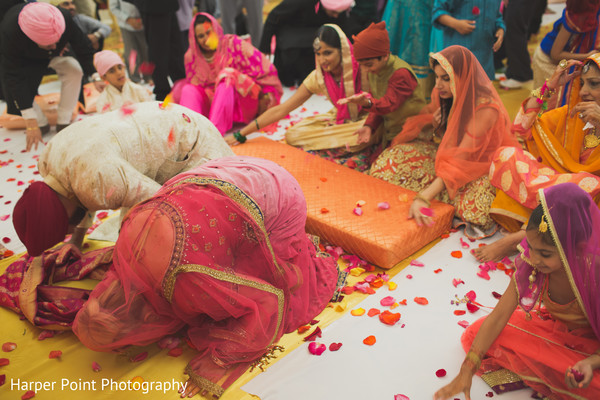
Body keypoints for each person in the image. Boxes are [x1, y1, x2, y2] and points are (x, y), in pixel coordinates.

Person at [71, 156, 340, 398]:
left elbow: (268, 301)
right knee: (224, 254)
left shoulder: (185, 281)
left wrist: (218, 362)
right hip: (229, 171)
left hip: (279, 193)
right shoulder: (126, 244)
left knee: (283, 277)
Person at [434, 183, 600, 400]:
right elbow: (498, 316)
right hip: (558, 333)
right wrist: (466, 371)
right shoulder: (531, 261)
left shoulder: (593, 274)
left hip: (593, 346)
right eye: (530, 246)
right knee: (477, 332)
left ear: (574, 247)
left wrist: (589, 363)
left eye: (545, 253)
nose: (534, 258)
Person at [12, 101, 234, 257]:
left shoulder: (100, 178)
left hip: (191, 139)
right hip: (160, 117)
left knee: (185, 232)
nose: (67, 233)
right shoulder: (48, 160)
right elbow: (78, 189)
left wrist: (130, 255)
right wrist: (76, 242)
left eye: (64, 231)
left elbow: (160, 200)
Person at [369, 46, 519, 239]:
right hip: (448, 159)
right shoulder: (442, 92)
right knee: (387, 164)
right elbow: (441, 136)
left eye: (446, 79)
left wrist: (424, 197)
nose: (439, 84)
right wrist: (436, 124)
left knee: (478, 211)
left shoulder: (485, 108)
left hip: (478, 167)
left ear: (463, 77)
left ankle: (438, 191)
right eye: (437, 77)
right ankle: (440, 192)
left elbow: (462, 159)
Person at [474, 55, 600, 262]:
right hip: (556, 184)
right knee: (507, 154)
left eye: (594, 84)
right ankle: (536, 222)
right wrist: (549, 86)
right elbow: (522, 127)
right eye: (582, 83)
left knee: (585, 187)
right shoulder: (571, 115)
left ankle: (522, 236)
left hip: (587, 197)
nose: (584, 91)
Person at [226, 24, 373, 171]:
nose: (322, 60)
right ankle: (346, 145)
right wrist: (241, 134)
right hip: (342, 122)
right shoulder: (319, 77)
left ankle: (355, 143)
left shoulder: (363, 68)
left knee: (364, 134)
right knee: (293, 135)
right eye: (318, 53)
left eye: (328, 53)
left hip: (370, 121)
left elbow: (383, 105)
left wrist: (370, 121)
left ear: (343, 51)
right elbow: (282, 109)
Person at [0, 2, 100, 151]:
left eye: (57, 41)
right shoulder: (10, 32)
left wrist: (96, 76)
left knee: (74, 69)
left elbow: (82, 46)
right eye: (49, 44)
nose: (54, 46)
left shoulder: (63, 17)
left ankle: (64, 120)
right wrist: (31, 121)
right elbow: (14, 77)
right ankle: (40, 121)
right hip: (26, 59)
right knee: (17, 88)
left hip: (58, 55)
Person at [171, 12, 283, 135]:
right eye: (201, 36)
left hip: (240, 101)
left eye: (209, 32)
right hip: (212, 104)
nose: (206, 39)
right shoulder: (191, 56)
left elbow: (263, 67)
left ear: (215, 28)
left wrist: (264, 92)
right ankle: (189, 135)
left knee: (226, 77)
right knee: (188, 89)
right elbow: (197, 88)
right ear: (195, 39)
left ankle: (214, 134)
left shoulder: (232, 44)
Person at [338, 21, 426, 164]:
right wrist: (369, 126)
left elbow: (388, 104)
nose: (366, 70)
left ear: (385, 56)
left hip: (412, 134)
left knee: (386, 171)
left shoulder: (400, 73)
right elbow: (377, 102)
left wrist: (366, 102)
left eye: (369, 65)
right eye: (362, 66)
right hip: (390, 131)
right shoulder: (376, 69)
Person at [259, 0, 356, 87]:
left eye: (339, 13)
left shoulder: (339, 12)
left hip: (313, 46)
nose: (336, 16)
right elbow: (273, 17)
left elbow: (344, 33)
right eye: (333, 12)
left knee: (309, 79)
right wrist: (265, 46)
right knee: (287, 79)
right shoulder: (299, 2)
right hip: (290, 42)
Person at [529, 0, 600, 92]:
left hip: (570, 62)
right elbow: (556, 55)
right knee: (549, 99)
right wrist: (586, 56)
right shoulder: (574, 20)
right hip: (548, 62)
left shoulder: (593, 13)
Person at [432, 0, 505, 81]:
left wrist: (500, 29)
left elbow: (497, 16)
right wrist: (456, 24)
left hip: (485, 61)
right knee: (459, 90)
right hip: (459, 58)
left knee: (482, 91)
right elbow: (437, 11)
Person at [131, 0, 185, 101]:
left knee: (175, 49)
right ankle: (163, 92)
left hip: (167, 6)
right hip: (153, 6)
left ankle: (181, 85)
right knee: (158, 51)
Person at [108, 0, 151, 83]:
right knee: (132, 53)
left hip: (144, 22)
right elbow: (113, 8)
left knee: (146, 51)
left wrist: (143, 17)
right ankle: (135, 78)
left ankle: (148, 76)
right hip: (126, 25)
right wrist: (128, 19)